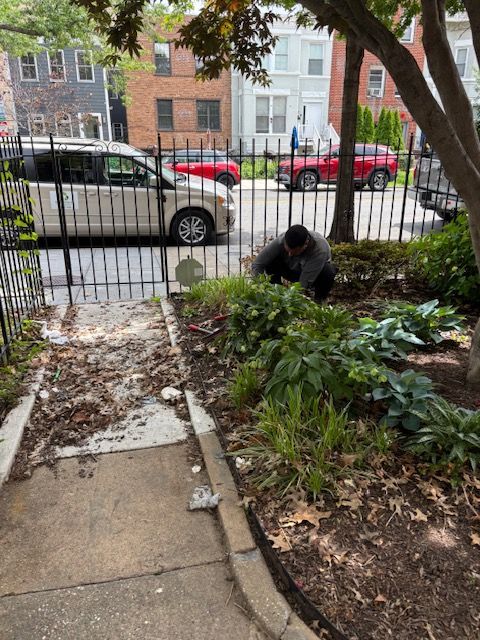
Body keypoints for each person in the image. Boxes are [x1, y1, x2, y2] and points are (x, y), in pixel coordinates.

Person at [252, 224, 337, 301]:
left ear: (305, 244)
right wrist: (260, 287)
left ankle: (319, 302)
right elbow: (257, 264)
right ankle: (275, 292)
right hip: (290, 269)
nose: (289, 254)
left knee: (328, 271)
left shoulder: (320, 249)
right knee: (271, 261)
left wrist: (288, 301)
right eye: (287, 250)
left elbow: (303, 284)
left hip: (312, 275)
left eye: (294, 252)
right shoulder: (281, 240)